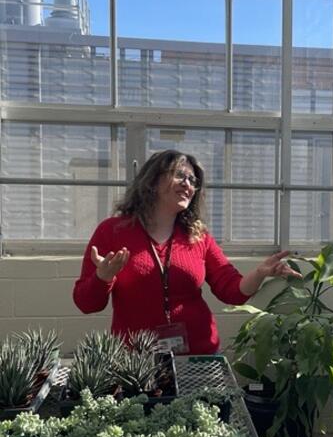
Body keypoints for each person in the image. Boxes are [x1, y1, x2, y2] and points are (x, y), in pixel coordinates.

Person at [73, 149, 299, 355]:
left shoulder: (198, 236)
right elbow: (86, 303)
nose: (188, 185)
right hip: (136, 361)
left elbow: (232, 291)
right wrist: (103, 277)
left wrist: (259, 273)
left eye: (193, 180)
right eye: (180, 175)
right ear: (152, 181)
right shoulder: (113, 231)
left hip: (199, 354)